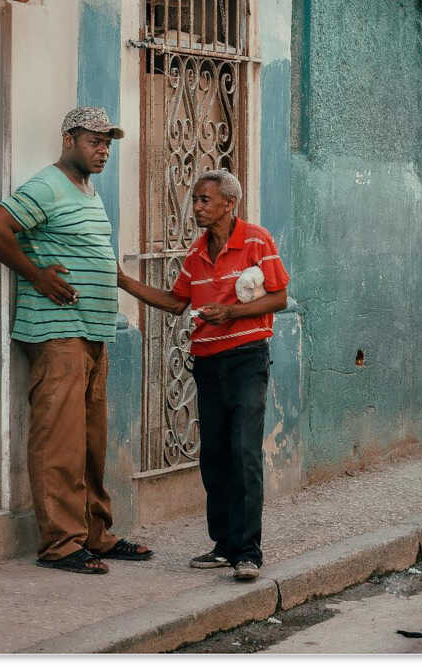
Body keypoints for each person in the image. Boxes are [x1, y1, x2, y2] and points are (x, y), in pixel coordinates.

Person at [0, 107, 152, 575]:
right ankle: (61, 544)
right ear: (69, 140)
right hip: (59, 332)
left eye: (107, 143)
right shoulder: (47, 185)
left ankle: (95, 535)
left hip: (93, 332)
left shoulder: (88, 193)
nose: (103, 151)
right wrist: (37, 276)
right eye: (94, 141)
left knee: (91, 444)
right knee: (60, 442)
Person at [117, 169, 290, 581]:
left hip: (247, 359)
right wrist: (123, 282)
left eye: (204, 200)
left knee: (244, 451)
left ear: (229, 204)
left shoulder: (257, 240)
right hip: (208, 362)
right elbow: (176, 302)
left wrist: (230, 312)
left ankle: (248, 552)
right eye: (195, 199)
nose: (196, 207)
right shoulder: (196, 254)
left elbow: (279, 297)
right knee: (214, 456)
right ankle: (224, 546)